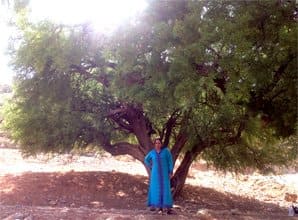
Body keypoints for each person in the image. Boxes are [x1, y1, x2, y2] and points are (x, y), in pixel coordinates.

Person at [144, 138, 175, 214]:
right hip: (155, 175)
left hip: (165, 174)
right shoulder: (152, 153)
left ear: (161, 144)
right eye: (156, 143)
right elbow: (146, 159)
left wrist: (170, 171)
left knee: (166, 189)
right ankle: (157, 207)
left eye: (159, 143)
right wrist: (151, 165)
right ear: (154, 145)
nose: (157, 144)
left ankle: (167, 208)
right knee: (155, 188)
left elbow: (170, 161)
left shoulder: (166, 152)